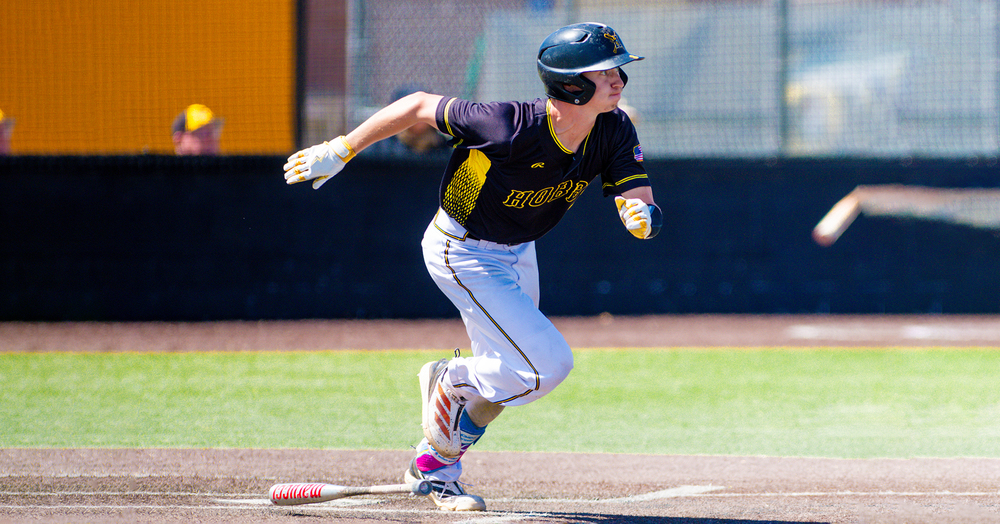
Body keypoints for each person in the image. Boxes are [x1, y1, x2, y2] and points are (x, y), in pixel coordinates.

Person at [283, 22, 661, 512]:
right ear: (572, 83)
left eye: (618, 71)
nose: (618, 80)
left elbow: (640, 202)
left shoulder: (613, 128)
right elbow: (417, 105)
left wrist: (640, 218)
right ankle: (452, 378)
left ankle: (436, 468)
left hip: (518, 250)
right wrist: (340, 149)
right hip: (462, 249)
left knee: (511, 378)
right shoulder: (506, 123)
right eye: (606, 71)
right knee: (545, 366)